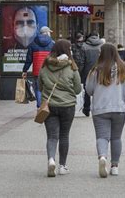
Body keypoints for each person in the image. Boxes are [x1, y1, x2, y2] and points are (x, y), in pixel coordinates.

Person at [86, 44, 125, 178]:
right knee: (116, 137)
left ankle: (102, 157)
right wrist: (122, 90)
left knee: (102, 136)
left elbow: (89, 90)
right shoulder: (123, 68)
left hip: (100, 109)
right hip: (119, 108)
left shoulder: (95, 70)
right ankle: (115, 166)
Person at [38, 39, 82, 177]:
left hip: (49, 105)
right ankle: (62, 166)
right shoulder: (72, 66)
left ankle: (51, 159)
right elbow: (77, 89)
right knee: (64, 135)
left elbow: (40, 86)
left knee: (52, 137)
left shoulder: (45, 66)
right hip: (67, 106)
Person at [22, 26, 55, 108]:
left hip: (37, 70)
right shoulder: (52, 43)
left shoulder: (33, 43)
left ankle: (40, 106)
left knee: (38, 88)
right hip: (49, 69)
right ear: (47, 32)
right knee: (49, 87)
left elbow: (29, 59)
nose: (50, 34)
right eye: (49, 32)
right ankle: (47, 105)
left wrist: (25, 70)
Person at [82, 31, 104, 116]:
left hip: (87, 72)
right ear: (98, 36)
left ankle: (86, 108)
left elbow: (82, 61)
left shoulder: (84, 46)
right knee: (99, 89)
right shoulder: (102, 46)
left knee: (87, 90)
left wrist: (81, 72)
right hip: (100, 71)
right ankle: (98, 108)